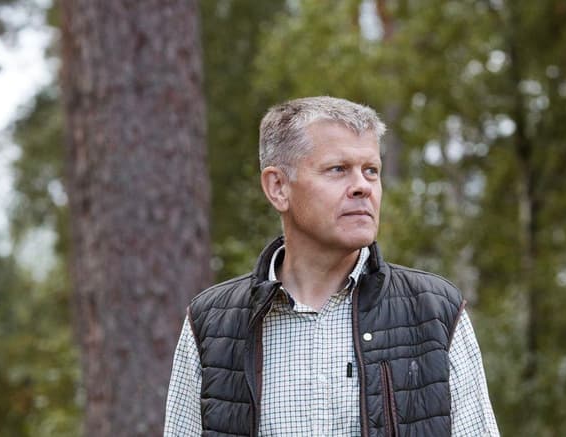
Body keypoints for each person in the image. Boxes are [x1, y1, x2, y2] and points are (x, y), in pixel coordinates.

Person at [164, 96, 499, 436]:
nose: (362, 187)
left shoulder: (435, 311)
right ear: (278, 187)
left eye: (371, 170)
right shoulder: (211, 323)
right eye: (338, 169)